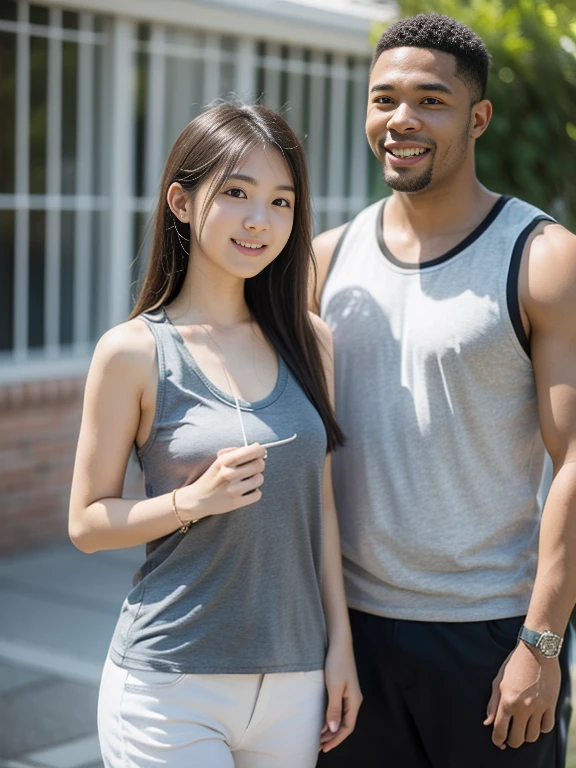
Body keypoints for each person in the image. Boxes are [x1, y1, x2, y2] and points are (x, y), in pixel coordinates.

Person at [313, 13, 576, 768]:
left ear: (478, 116)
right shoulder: (326, 261)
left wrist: (543, 643)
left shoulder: (543, 260)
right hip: (349, 637)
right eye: (384, 98)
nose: (402, 119)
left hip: (489, 637)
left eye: (430, 99)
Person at [68, 103, 361, 768]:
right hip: (172, 683)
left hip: (294, 682)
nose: (260, 221)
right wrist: (188, 504)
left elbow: (320, 507)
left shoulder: (311, 340)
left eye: (281, 202)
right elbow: (86, 522)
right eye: (236, 193)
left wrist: (339, 646)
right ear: (180, 200)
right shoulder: (134, 351)